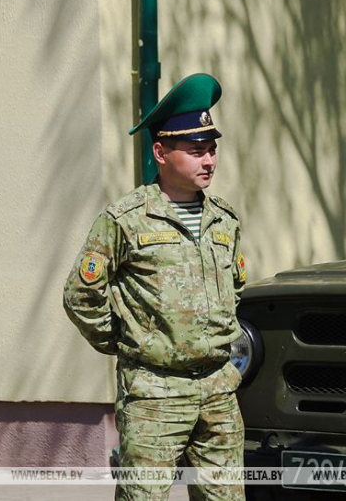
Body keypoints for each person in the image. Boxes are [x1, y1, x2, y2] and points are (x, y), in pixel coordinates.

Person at [63, 73, 247, 501]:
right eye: (197, 151)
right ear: (161, 152)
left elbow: (234, 288)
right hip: (155, 394)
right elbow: (81, 295)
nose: (209, 161)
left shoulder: (225, 219)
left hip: (219, 390)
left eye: (213, 150)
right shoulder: (125, 219)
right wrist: (129, 340)